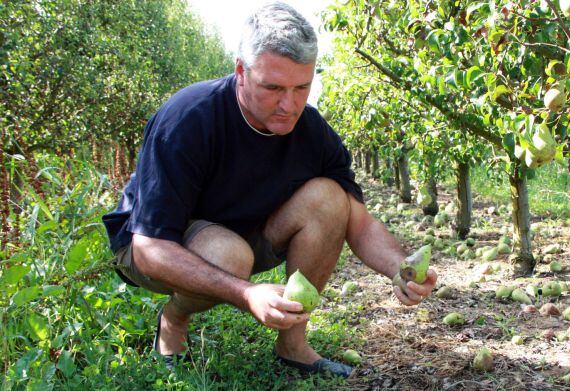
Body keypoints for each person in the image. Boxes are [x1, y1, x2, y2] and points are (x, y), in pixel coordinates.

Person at [101, 1, 437, 379]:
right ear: (242, 72)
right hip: (156, 242)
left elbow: (358, 222)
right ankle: (175, 317)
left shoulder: (313, 133)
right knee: (229, 257)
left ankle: (292, 345)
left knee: (331, 197)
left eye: (302, 87)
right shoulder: (188, 120)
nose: (288, 105)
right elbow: (148, 250)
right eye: (273, 87)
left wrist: (399, 268)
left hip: (244, 235)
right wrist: (246, 293)